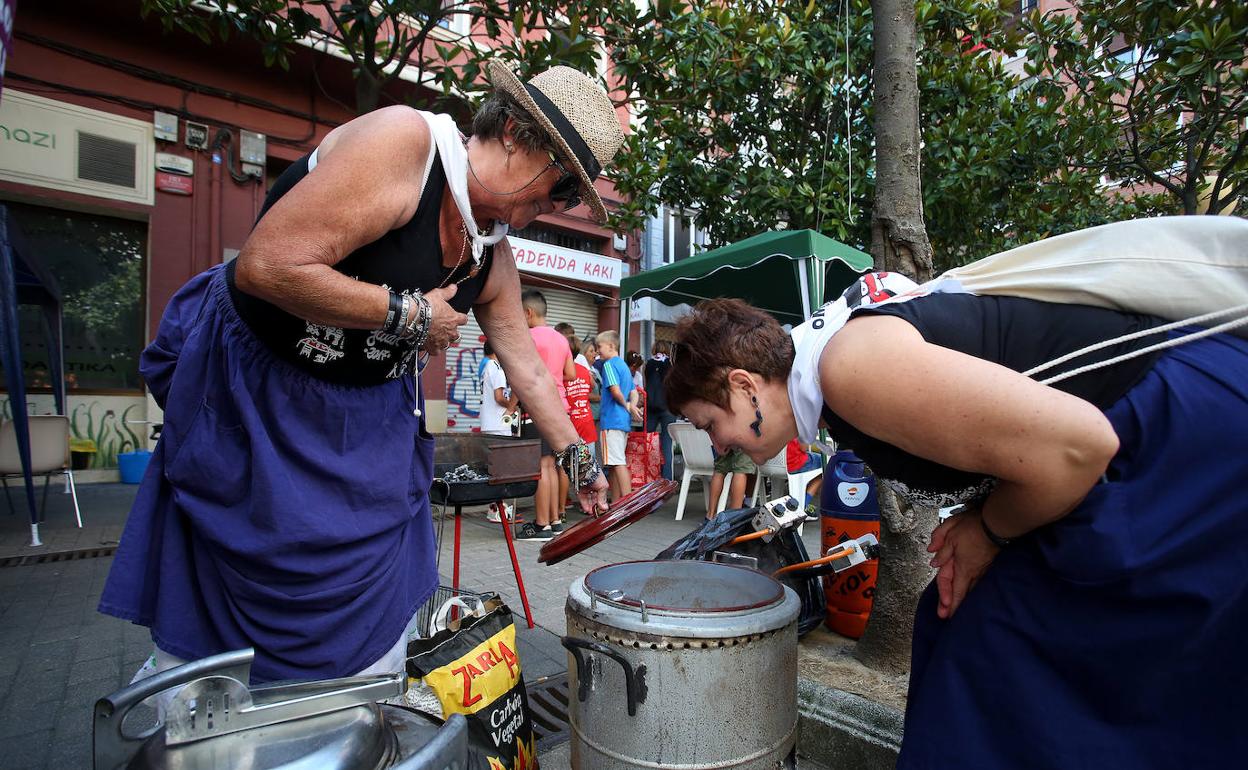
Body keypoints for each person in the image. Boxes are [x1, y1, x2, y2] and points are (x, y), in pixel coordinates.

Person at [98, 61, 620, 691]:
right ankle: (197, 712)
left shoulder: (493, 251)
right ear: (512, 132)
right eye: (562, 187)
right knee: (241, 587)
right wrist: (409, 313)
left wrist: (578, 461)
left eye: (569, 199)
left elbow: (527, 367)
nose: (555, 208)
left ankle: (351, 712)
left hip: (367, 422)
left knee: (373, 595)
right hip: (265, 402)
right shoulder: (403, 143)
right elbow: (266, 265)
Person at [664, 272, 1248, 767]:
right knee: (966, 632)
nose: (718, 449)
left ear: (743, 385)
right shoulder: (833, 365)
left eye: (711, 425)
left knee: (998, 650)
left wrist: (987, 530)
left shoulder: (848, 368)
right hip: (1154, 436)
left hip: (1183, 440)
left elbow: (1079, 447)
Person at [515, 288, 576, 541]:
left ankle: (541, 525)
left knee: (540, 468)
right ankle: (554, 521)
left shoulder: (527, 337)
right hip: (561, 409)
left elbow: (520, 375)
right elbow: (570, 374)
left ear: (528, 313)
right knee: (551, 465)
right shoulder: (561, 339)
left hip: (538, 407)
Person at [595, 330, 642, 501]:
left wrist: (628, 405)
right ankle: (616, 503)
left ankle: (629, 502)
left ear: (611, 346)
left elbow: (615, 391)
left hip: (611, 420)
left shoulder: (608, 365)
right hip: (622, 421)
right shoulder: (623, 365)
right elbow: (634, 392)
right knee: (615, 462)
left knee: (618, 462)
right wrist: (632, 406)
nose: (597, 350)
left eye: (599, 346)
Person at [644, 340, 677, 480]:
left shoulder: (649, 364)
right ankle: (667, 479)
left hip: (651, 407)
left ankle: (647, 475)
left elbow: (647, 383)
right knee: (667, 443)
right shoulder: (671, 364)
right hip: (668, 408)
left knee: (647, 441)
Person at [478, 339, 517, 437]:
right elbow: (499, 397)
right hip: (499, 422)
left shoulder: (486, 367)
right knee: (504, 451)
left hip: (488, 422)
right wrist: (512, 407)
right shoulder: (495, 367)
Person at [705, 448, 754, 519]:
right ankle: (733, 517)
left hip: (725, 438)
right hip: (744, 439)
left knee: (719, 470)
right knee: (741, 470)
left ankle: (710, 515)